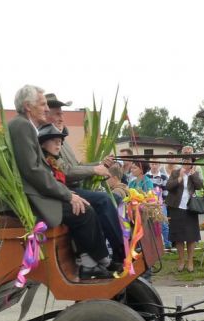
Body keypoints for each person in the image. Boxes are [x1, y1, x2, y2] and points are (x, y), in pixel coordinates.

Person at [9, 85, 112, 279]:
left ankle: (95, 262)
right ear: (28, 106)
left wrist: (68, 193)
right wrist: (66, 194)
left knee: (83, 206)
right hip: (34, 199)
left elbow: (41, 171)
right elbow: (33, 171)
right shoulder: (21, 125)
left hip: (39, 194)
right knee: (83, 209)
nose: (46, 109)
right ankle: (98, 261)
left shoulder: (25, 125)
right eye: (42, 104)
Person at [41, 94, 125, 269]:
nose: (61, 117)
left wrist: (100, 163)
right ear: (45, 113)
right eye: (57, 113)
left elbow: (76, 165)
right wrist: (94, 169)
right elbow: (66, 171)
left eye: (61, 113)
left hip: (69, 189)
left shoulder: (59, 138)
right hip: (64, 191)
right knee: (103, 200)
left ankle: (113, 250)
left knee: (114, 199)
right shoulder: (44, 139)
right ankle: (120, 253)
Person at [165, 157, 204, 272]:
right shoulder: (176, 172)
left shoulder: (194, 173)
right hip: (176, 207)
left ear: (192, 163)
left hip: (190, 208)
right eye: (185, 161)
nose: (187, 163)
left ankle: (190, 261)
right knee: (178, 236)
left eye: (189, 162)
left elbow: (200, 187)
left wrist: (193, 176)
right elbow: (168, 186)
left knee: (191, 237)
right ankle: (181, 260)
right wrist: (180, 178)